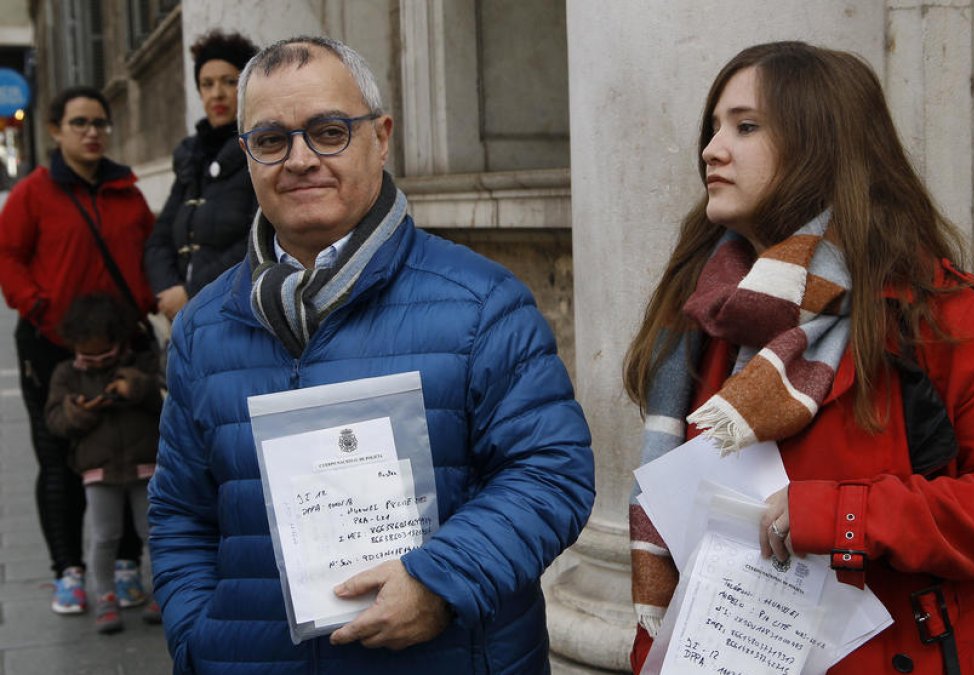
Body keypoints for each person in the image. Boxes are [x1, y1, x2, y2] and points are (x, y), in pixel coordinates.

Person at [147, 36, 594, 674]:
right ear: (246, 154)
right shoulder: (203, 327)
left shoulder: (480, 302)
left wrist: (440, 583)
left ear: (380, 137)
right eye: (271, 140)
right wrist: (200, 638)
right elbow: (180, 512)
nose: (299, 159)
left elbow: (550, 472)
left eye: (328, 131)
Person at [626, 42, 974, 674]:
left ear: (822, 146)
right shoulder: (700, 318)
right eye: (715, 127)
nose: (712, 149)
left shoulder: (956, 322)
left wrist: (846, 514)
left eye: (745, 127)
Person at [0, 86, 156, 616]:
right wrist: (41, 309)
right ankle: (68, 570)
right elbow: (10, 257)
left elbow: (149, 251)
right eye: (80, 123)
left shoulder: (126, 191)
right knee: (58, 454)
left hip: (123, 349)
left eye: (100, 123)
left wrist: (145, 302)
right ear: (55, 131)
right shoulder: (33, 194)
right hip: (51, 349)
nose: (93, 132)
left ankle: (127, 565)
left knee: (131, 453)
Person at [44, 293, 162, 634]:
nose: (95, 362)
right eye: (87, 356)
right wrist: (78, 410)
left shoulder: (139, 365)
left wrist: (135, 387)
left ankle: (161, 591)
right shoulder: (66, 374)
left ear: (119, 342)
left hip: (143, 465)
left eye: (103, 354)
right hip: (97, 471)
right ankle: (106, 596)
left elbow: (161, 397)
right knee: (103, 536)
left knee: (153, 532)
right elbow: (54, 420)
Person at [143, 30, 259, 320]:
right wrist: (168, 290)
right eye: (207, 84)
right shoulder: (190, 158)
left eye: (229, 82)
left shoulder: (261, 151)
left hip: (236, 311)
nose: (216, 93)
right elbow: (159, 241)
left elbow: (258, 238)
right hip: (185, 315)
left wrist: (191, 291)